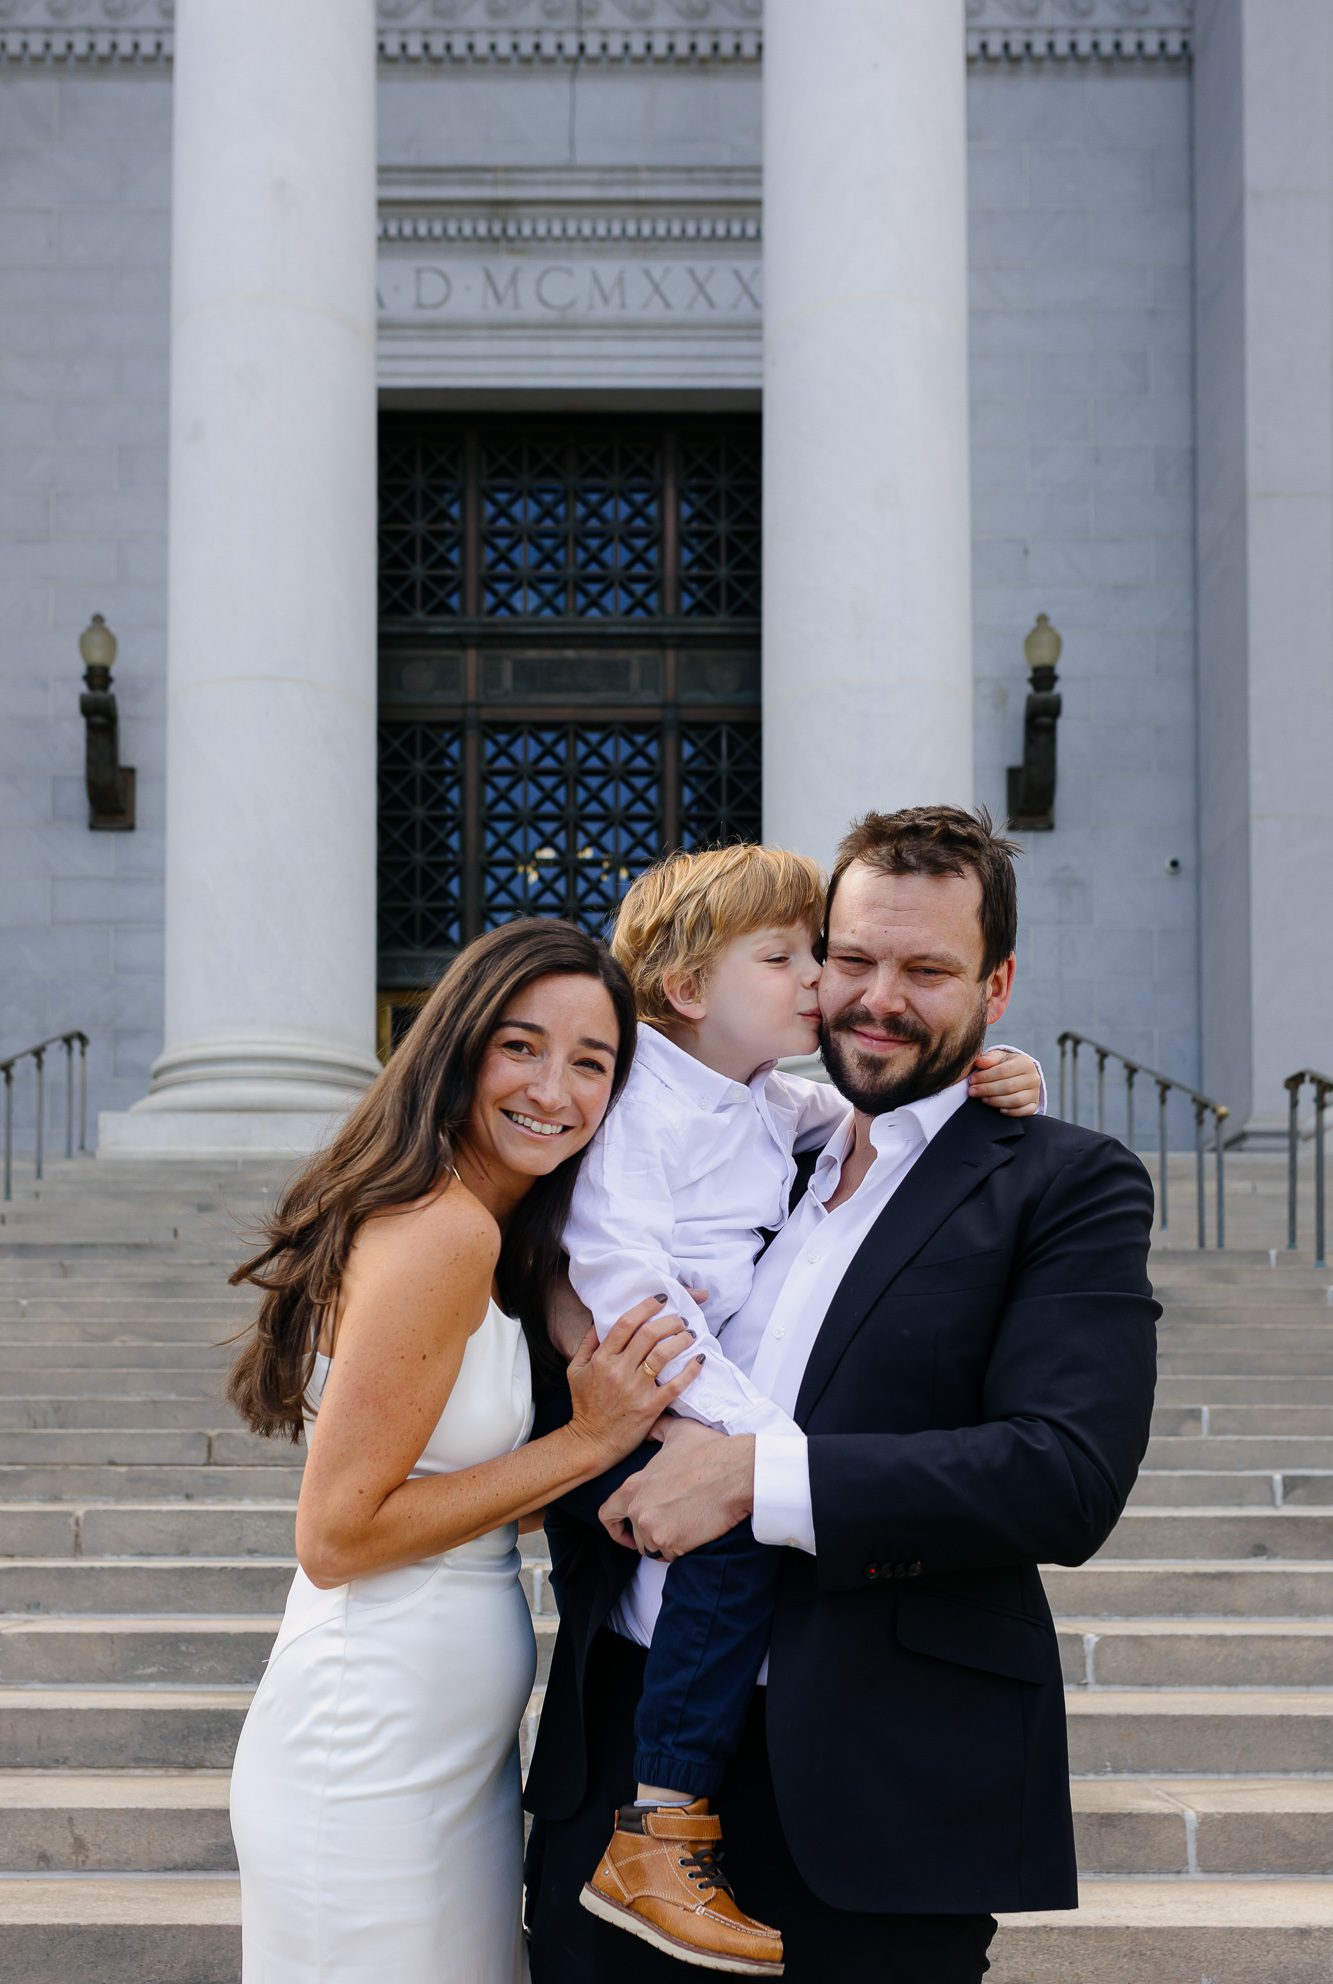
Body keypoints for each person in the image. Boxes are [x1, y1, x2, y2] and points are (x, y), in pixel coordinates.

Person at [524, 807, 1159, 1984]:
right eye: (848, 957)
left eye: (926, 970)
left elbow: (1063, 1474)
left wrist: (754, 1474)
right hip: (622, 1759)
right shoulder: (755, 1127)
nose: (871, 998)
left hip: (882, 1786)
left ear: (997, 982)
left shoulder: (1060, 1181)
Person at [226, 917, 703, 1984]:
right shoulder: (445, 1230)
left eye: (593, 1061)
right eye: (521, 1045)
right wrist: (586, 1439)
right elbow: (338, 1533)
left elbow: (443, 1489)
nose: (555, 1088)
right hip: (369, 1755)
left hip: (443, 1756)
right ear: (456, 1044)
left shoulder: (481, 1232)